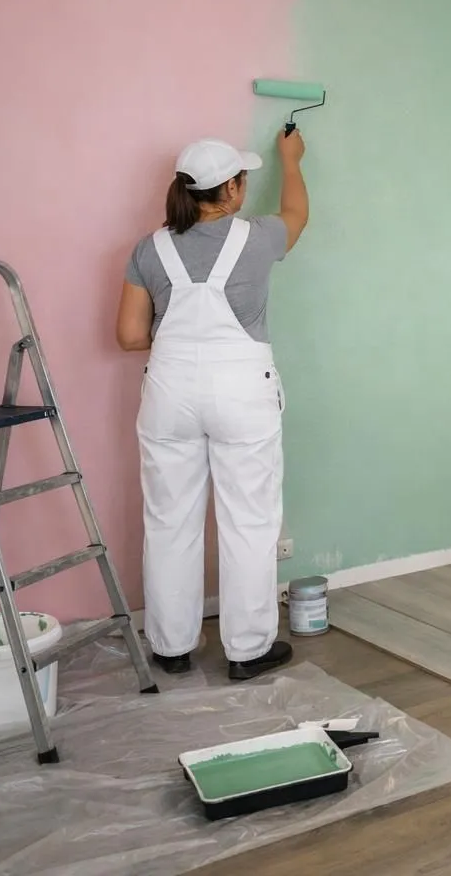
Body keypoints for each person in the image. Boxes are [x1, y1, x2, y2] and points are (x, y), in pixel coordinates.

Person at [115, 130, 309, 679]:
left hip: (169, 392)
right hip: (242, 391)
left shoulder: (147, 249)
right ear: (232, 187)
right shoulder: (259, 237)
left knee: (168, 518)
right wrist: (292, 161)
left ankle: (171, 646)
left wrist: (182, 344)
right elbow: (297, 211)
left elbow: (129, 336)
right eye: (243, 179)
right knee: (248, 521)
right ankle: (247, 650)